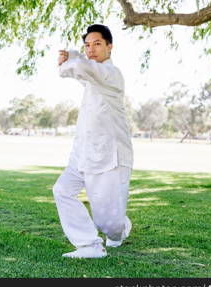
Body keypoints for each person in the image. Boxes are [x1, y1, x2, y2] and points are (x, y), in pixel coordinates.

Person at [53, 24, 134, 258]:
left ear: (110, 46)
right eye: (87, 45)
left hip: (110, 155)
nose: (91, 49)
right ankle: (89, 246)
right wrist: (70, 59)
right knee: (62, 190)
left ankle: (119, 229)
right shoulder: (92, 78)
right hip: (82, 153)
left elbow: (78, 66)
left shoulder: (111, 74)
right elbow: (73, 71)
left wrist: (72, 56)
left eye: (97, 44)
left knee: (107, 223)